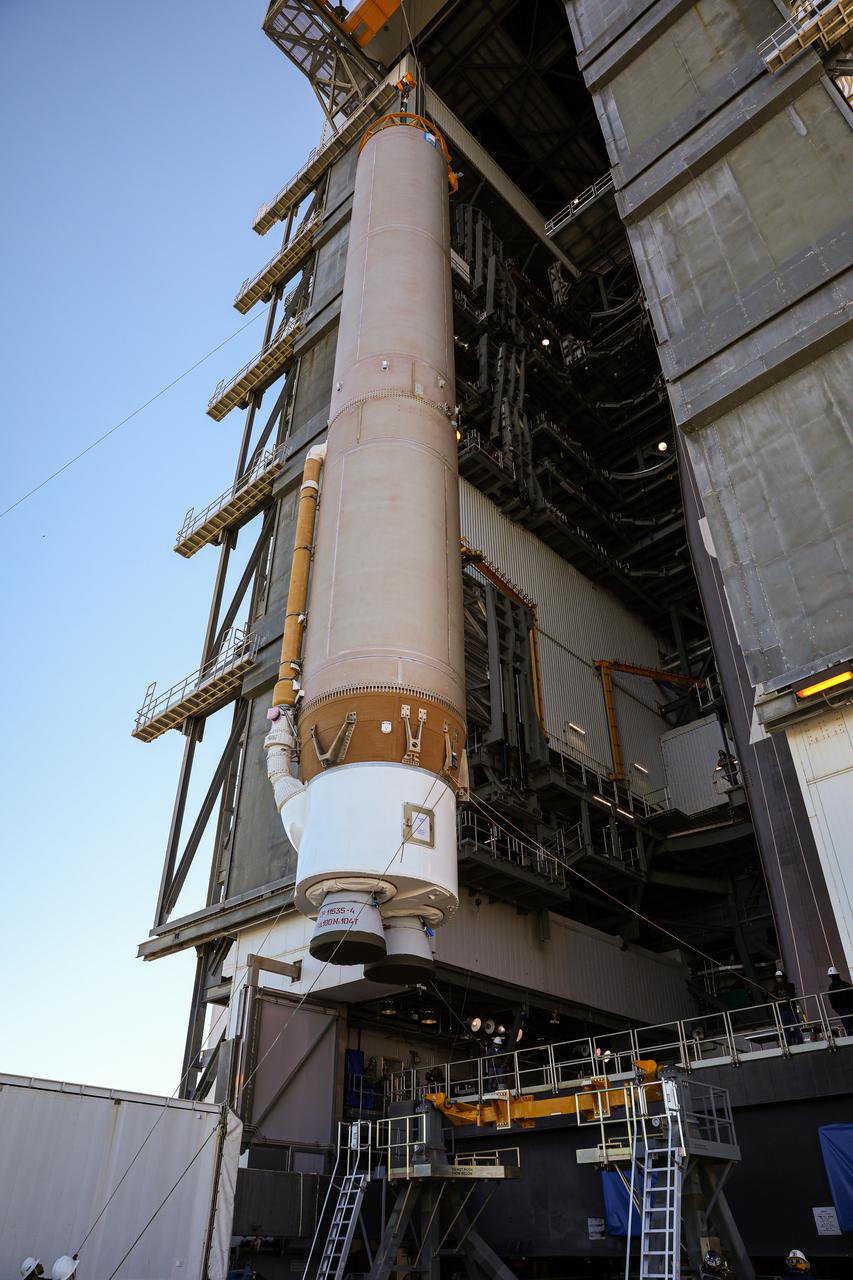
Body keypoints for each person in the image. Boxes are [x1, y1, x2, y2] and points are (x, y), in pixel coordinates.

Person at [772, 970, 802, 1046]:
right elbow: (772, 996)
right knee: (785, 1028)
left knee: (796, 1026)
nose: (778, 979)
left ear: (783, 977)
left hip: (791, 1009)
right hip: (782, 1011)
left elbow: (792, 994)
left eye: (779, 977)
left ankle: (800, 1042)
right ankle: (788, 1044)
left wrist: (788, 997)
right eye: (777, 977)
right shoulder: (776, 988)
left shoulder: (790, 985)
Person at [826, 965, 853, 1037]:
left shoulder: (832, 987)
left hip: (843, 1011)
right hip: (851, 1008)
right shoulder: (846, 984)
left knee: (848, 1029)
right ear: (838, 974)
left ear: (830, 976)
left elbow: (832, 1001)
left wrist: (838, 1010)